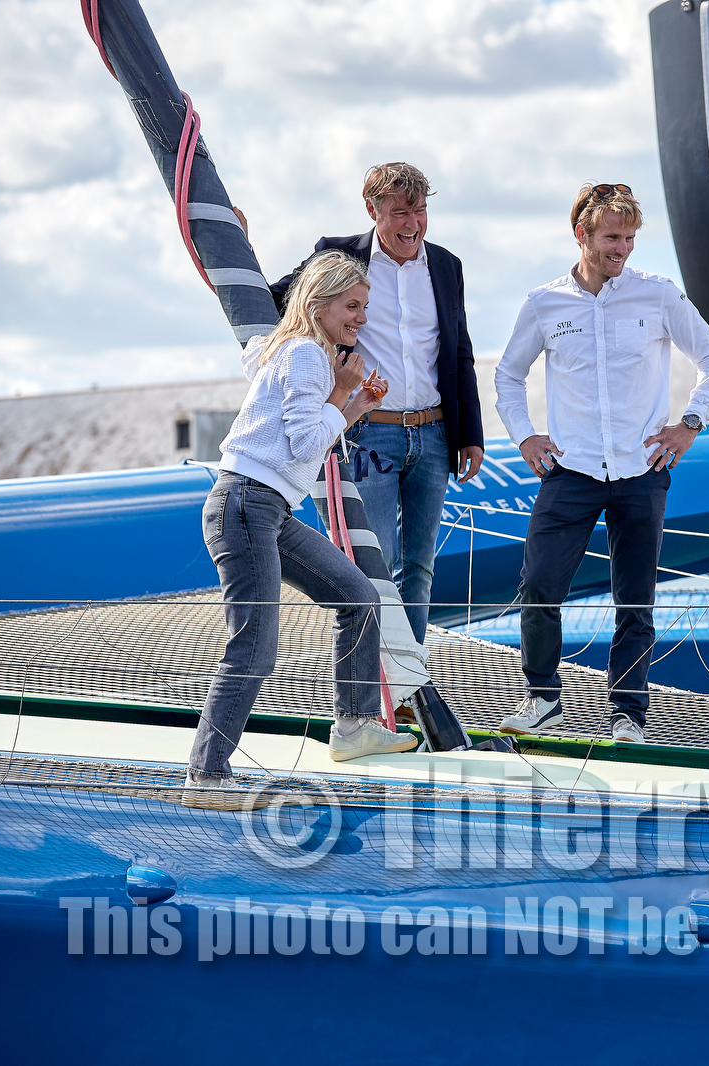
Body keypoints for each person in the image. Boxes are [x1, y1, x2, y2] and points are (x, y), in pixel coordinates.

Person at [493, 183, 709, 743]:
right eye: (610, 238)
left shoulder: (659, 295)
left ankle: (629, 714)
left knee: (635, 598)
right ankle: (543, 699)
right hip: (569, 471)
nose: (621, 249)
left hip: (641, 470)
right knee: (540, 586)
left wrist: (690, 423)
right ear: (582, 235)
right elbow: (507, 376)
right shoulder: (543, 303)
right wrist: (525, 436)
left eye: (628, 238)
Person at [186, 250, 415, 809]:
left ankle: (355, 725)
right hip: (246, 505)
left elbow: (304, 433)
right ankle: (207, 777)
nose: (362, 318)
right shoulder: (308, 354)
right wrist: (345, 398)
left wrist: (352, 400)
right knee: (255, 646)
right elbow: (303, 443)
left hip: (264, 507)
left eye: (365, 307)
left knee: (357, 596)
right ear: (318, 305)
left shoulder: (294, 352)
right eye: (352, 306)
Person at [268, 162, 484, 647]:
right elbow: (276, 299)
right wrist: (232, 248)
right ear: (372, 210)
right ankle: (377, 681)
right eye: (401, 212)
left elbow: (459, 349)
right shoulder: (339, 256)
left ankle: (409, 684)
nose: (413, 224)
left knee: (421, 566)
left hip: (433, 433)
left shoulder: (447, 265)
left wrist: (470, 432)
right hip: (369, 432)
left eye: (421, 211)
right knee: (374, 562)